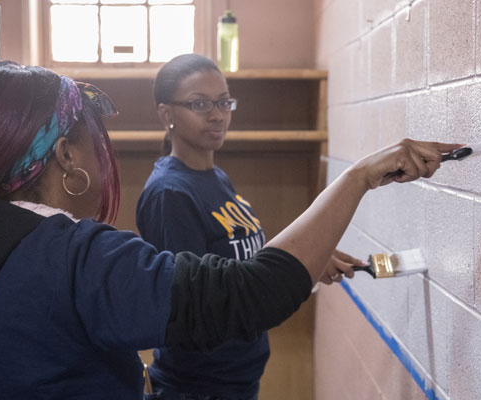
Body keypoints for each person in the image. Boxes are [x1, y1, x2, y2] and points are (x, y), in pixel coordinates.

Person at [0, 61, 460, 399]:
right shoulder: (77, 259)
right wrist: (360, 175)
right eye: (94, 141)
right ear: (68, 156)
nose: (216, 113)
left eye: (224, 101)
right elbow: (245, 293)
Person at [135, 54, 364, 400]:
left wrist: (305, 264)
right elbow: (200, 303)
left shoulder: (215, 177)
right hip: (200, 386)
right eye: (199, 104)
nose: (217, 114)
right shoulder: (170, 194)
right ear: (167, 114)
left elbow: (238, 261)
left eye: (224, 101)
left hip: (236, 379)